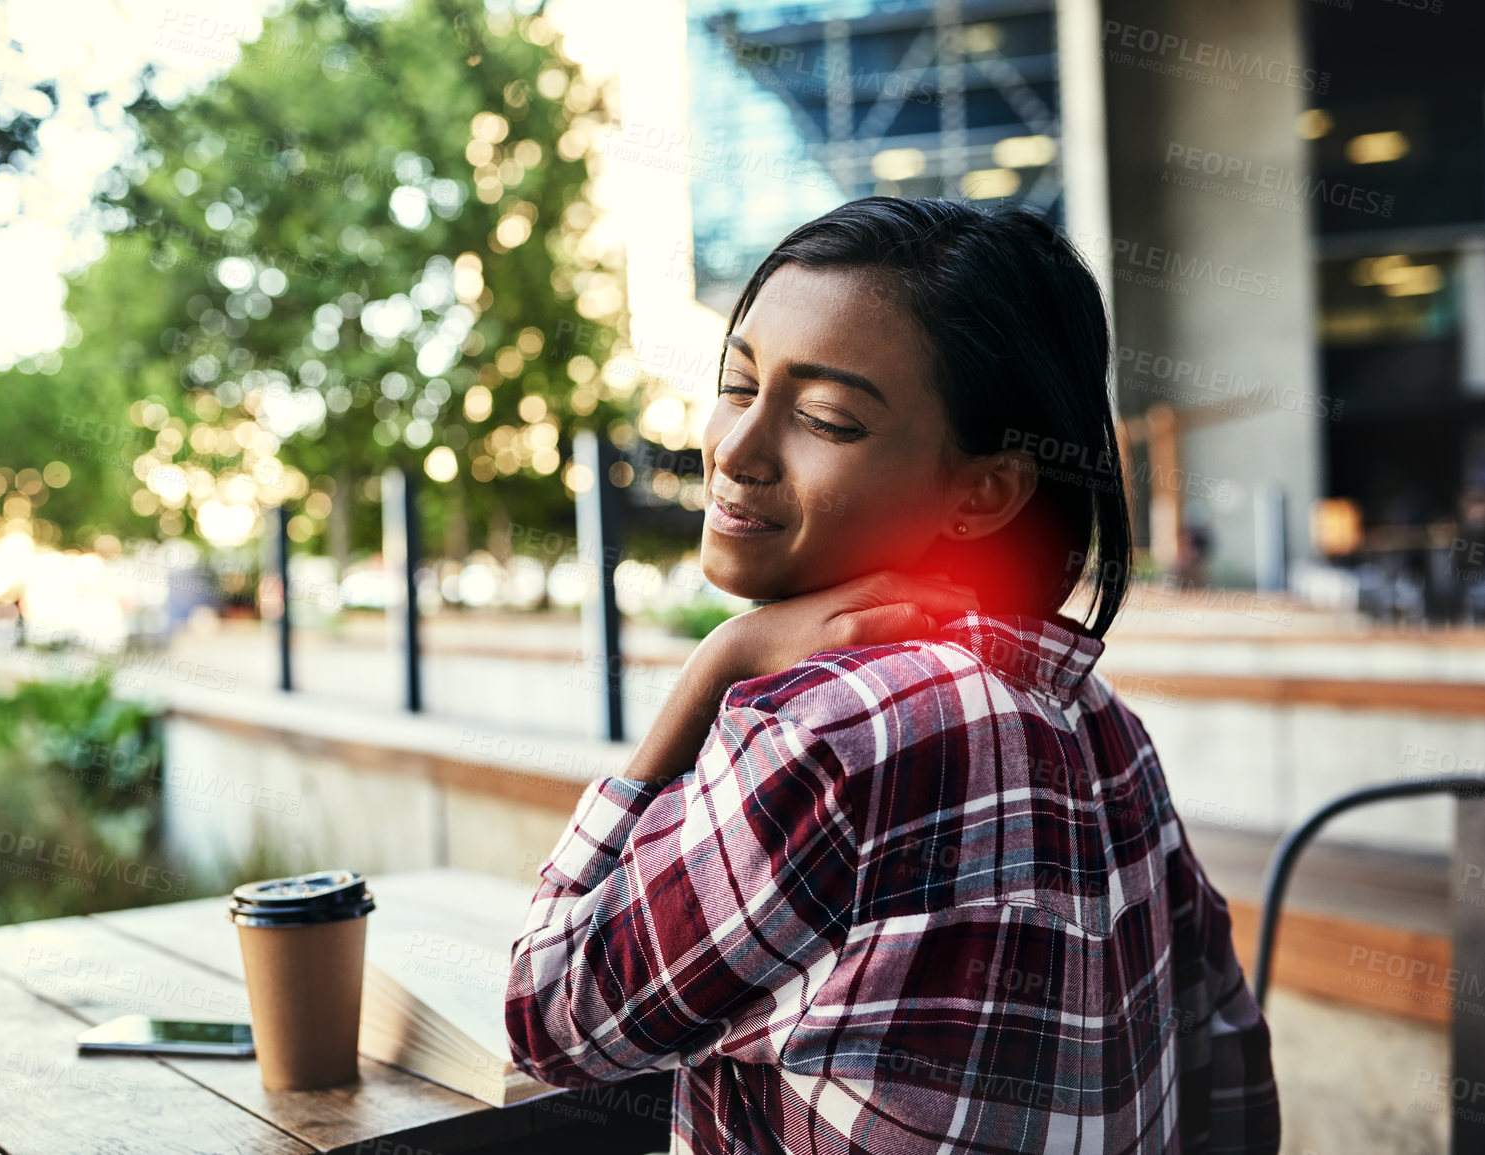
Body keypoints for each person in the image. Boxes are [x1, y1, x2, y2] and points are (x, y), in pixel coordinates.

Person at [504, 197, 1279, 1154]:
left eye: (825, 418)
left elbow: (547, 1016)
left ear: (982, 491)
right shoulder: (1097, 715)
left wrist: (717, 664)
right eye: (739, 383)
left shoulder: (831, 735)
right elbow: (1230, 1071)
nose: (735, 450)